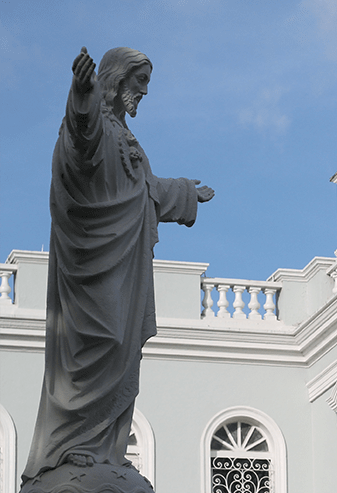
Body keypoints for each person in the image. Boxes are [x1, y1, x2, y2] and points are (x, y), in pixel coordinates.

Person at [21, 46, 214, 484]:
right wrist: (81, 95)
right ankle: (70, 445)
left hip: (125, 264)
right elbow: (80, 145)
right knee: (96, 346)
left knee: (123, 352)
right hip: (91, 265)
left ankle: (106, 446)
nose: (145, 91)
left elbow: (140, 189)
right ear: (116, 78)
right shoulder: (96, 124)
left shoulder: (127, 137)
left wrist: (184, 192)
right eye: (140, 80)